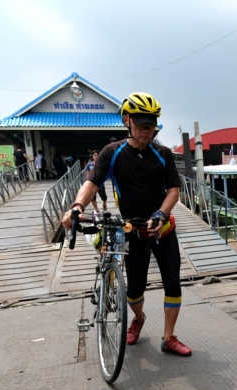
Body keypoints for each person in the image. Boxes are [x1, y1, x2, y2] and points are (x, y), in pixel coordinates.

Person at [61, 92, 191, 356]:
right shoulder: (113, 152)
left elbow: (174, 191)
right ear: (126, 120)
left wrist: (161, 215)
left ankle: (168, 337)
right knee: (134, 289)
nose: (146, 130)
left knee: (172, 283)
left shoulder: (163, 153)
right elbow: (92, 182)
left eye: (151, 124)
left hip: (163, 229)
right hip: (131, 230)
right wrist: (77, 205)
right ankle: (139, 318)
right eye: (142, 123)